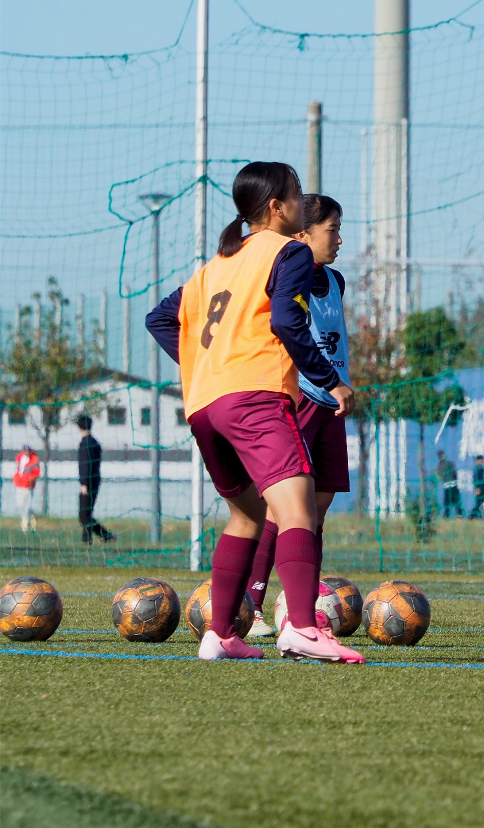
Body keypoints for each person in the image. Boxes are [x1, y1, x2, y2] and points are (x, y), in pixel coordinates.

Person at [146, 162, 361, 663]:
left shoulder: (218, 262)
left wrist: (207, 366)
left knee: (246, 515)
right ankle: (302, 628)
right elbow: (287, 320)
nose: (302, 201)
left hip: (205, 405)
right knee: (299, 510)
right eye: (297, 194)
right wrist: (330, 379)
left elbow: (161, 318)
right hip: (254, 399)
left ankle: (220, 635)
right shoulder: (288, 251)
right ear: (277, 207)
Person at [242, 194, 353, 638]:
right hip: (300, 397)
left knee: (319, 506)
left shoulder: (336, 281)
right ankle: (250, 605)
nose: (339, 239)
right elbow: (284, 327)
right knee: (283, 506)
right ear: (303, 234)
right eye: (332, 230)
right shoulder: (289, 276)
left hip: (331, 403)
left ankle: (299, 604)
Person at [76, 415, 114, 544]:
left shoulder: (85, 444)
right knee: (86, 513)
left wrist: (84, 483)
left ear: (79, 427)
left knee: (84, 514)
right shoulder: (95, 442)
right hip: (95, 479)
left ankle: (103, 535)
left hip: (89, 481)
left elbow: (85, 465)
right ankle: (88, 538)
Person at [12, 444, 39, 533]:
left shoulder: (34, 460)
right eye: (25, 450)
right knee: (20, 505)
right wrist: (15, 479)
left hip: (28, 487)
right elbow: (17, 470)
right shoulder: (19, 459)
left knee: (27, 506)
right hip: (19, 485)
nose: (26, 452)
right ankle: (32, 517)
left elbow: (36, 472)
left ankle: (25, 526)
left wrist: (31, 480)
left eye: (28, 451)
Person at [435, 450, 461, 517]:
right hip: (452, 484)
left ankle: (446, 515)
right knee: (456, 501)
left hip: (446, 485)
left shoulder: (439, 466)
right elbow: (454, 473)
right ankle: (459, 514)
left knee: (447, 502)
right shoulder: (449, 463)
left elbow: (439, 475)